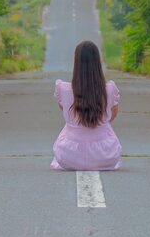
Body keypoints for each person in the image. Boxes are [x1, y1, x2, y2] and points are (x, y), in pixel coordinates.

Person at [51, 40, 122, 171]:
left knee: (69, 125)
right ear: (97, 62)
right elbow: (111, 115)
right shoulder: (110, 89)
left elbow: (65, 111)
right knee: (105, 125)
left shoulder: (63, 88)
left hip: (69, 155)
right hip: (105, 154)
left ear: (76, 62)